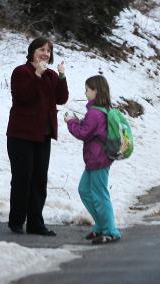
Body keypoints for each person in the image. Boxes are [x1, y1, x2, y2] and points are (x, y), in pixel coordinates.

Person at [6, 37, 69, 236]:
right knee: (22, 179)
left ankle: (36, 224)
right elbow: (24, 96)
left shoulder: (50, 75)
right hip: (21, 135)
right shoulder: (21, 72)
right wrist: (37, 75)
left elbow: (61, 98)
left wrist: (61, 77)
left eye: (48, 51)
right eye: (41, 49)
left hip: (43, 136)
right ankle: (16, 221)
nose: (45, 53)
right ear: (32, 51)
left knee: (39, 180)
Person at [65, 75, 122, 244]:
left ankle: (111, 230)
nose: (85, 92)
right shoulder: (98, 110)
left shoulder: (95, 113)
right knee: (84, 190)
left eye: (87, 90)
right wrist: (78, 121)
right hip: (95, 160)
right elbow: (90, 129)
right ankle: (100, 225)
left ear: (95, 91)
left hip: (98, 160)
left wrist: (70, 122)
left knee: (100, 195)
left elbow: (83, 133)